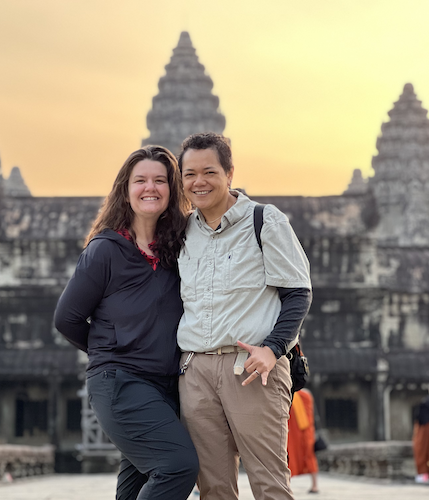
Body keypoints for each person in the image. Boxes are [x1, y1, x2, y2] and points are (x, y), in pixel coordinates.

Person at [54, 145, 198, 500]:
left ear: (172, 189)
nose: (150, 188)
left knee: (135, 488)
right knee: (177, 466)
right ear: (126, 189)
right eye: (140, 180)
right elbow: (67, 318)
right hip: (121, 384)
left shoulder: (178, 250)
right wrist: (112, 349)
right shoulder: (105, 249)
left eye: (160, 180)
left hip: (166, 387)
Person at [177, 132, 312, 500]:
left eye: (209, 172)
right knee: (213, 487)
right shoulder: (182, 231)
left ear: (229, 173)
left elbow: (298, 292)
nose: (199, 182)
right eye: (190, 174)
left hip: (252, 366)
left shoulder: (264, 220)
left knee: (269, 482)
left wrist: (273, 348)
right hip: (195, 370)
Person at [288, 389, 319, 493]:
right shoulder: (306, 394)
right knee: (306, 455)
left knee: (306, 456)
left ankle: (314, 485)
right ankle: (314, 485)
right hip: (301, 430)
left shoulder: (300, 394)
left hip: (299, 431)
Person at [413, 383, 429, 483]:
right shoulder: (426, 403)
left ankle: (425, 474)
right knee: (423, 449)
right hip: (425, 428)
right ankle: (424, 474)